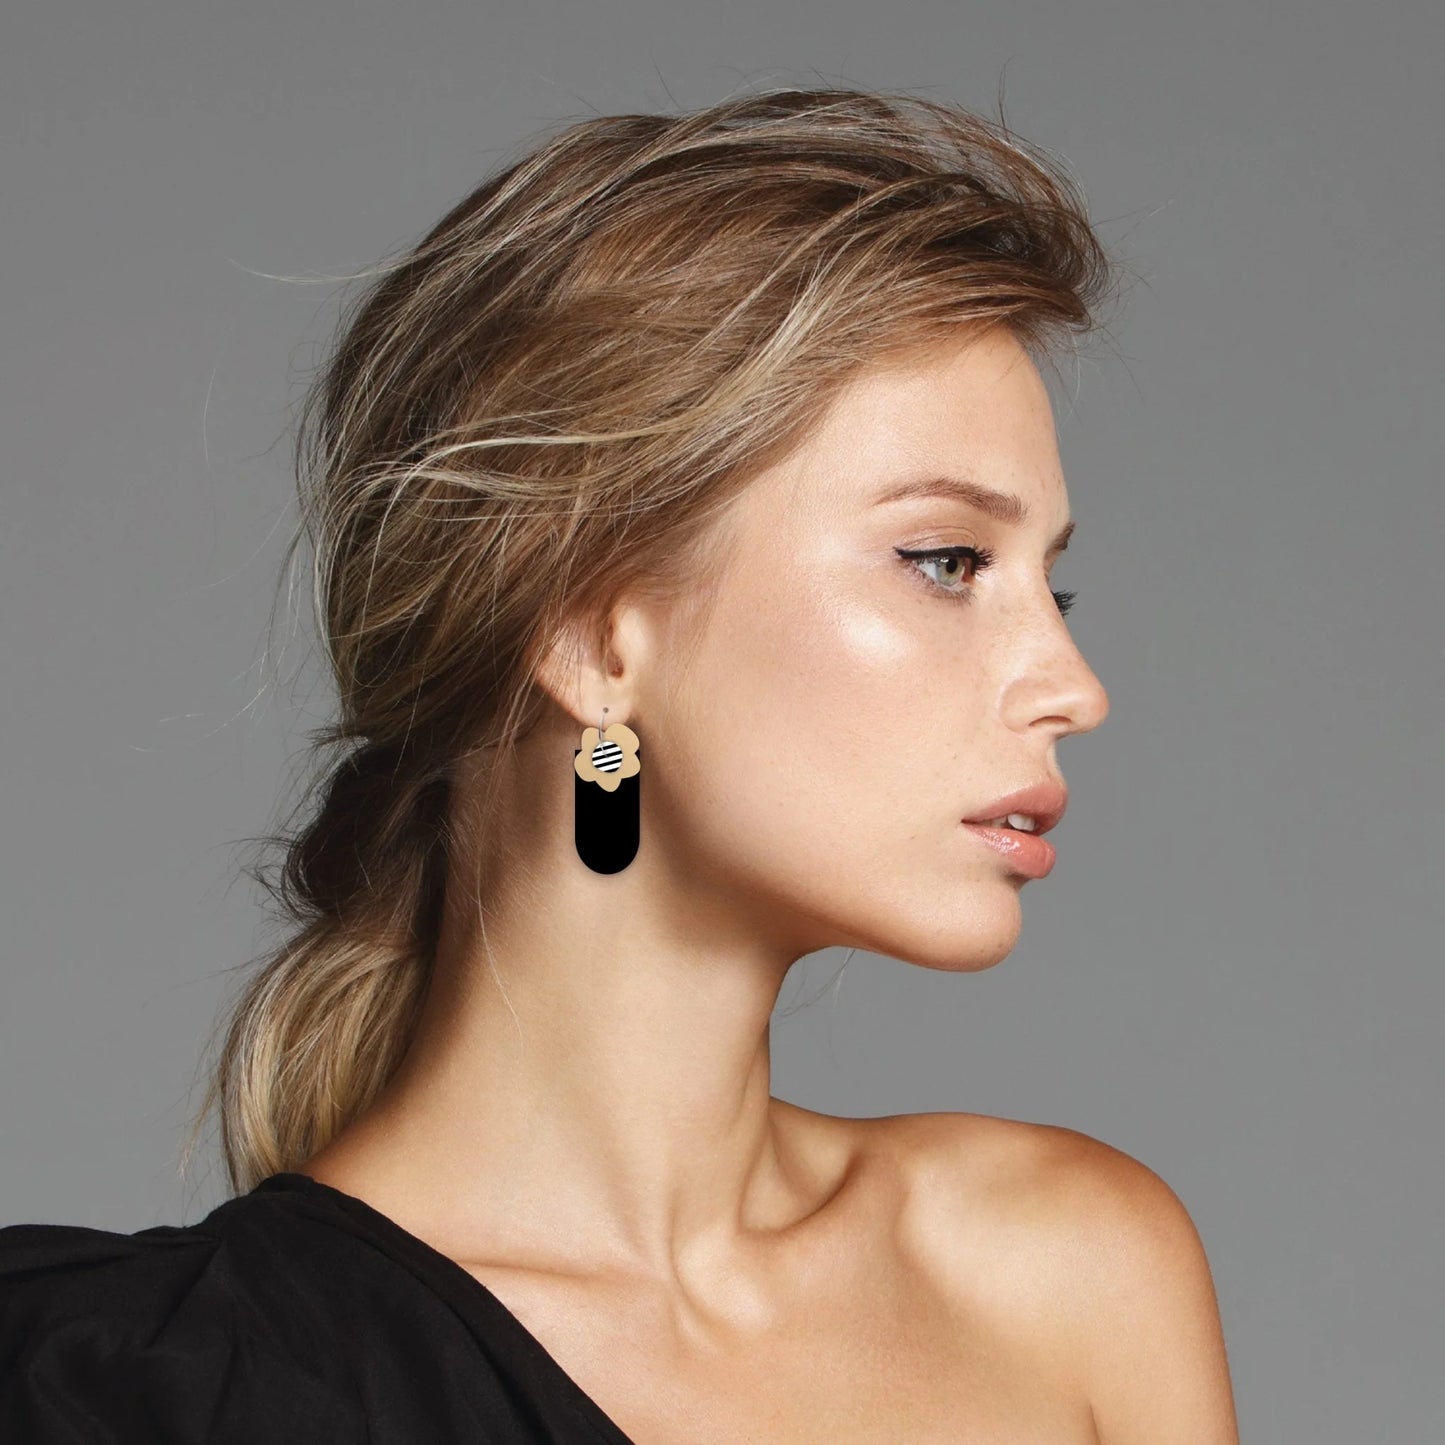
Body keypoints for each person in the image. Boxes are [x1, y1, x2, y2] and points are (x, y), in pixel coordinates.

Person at [0, 86, 1239, 1442]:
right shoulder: (137, 1391)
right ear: (592, 635)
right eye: (946, 561)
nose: (1073, 688)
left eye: (1052, 585)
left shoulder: (1063, 1280)